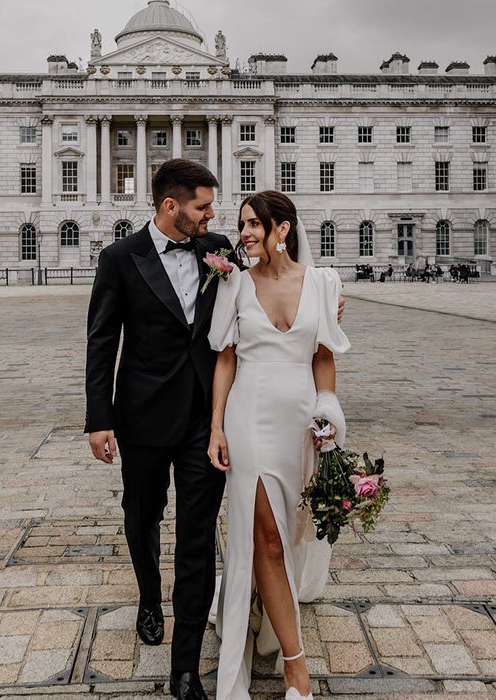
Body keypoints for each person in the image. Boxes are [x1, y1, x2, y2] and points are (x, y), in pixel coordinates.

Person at [85, 159, 234, 700]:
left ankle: (186, 668)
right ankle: (150, 596)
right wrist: (98, 418)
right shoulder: (120, 258)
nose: (210, 215)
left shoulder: (219, 248)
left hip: (204, 419)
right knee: (141, 516)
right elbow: (102, 340)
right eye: (202, 206)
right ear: (171, 206)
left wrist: (321, 297)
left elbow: (260, 292)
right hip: (143, 416)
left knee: (197, 539)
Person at [207, 191, 350, 700]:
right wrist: (217, 426)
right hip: (250, 415)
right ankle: (296, 668)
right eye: (240, 225)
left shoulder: (323, 282)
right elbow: (225, 358)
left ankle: (261, 616)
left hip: (300, 422)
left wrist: (328, 408)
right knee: (265, 538)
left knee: (288, 534)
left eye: (252, 225)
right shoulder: (235, 283)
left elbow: (324, 357)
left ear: (283, 229)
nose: (242, 233)